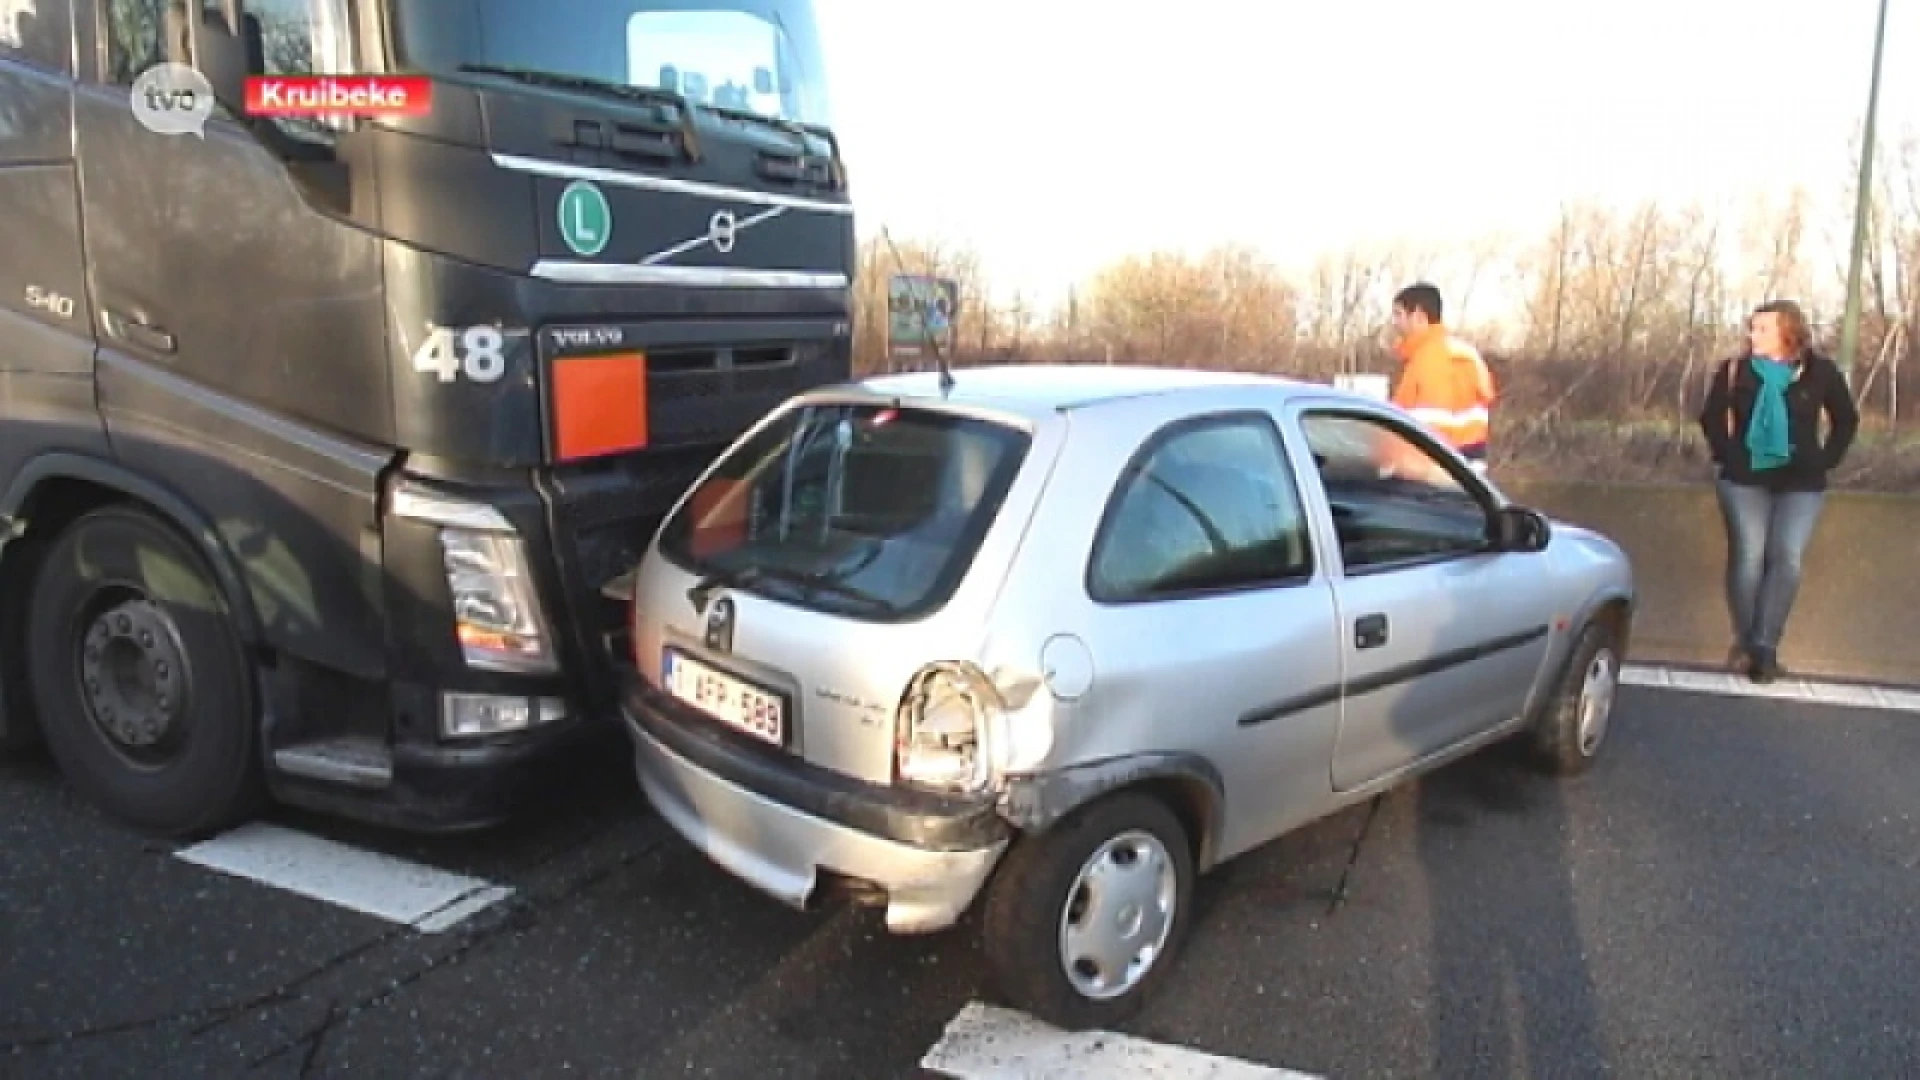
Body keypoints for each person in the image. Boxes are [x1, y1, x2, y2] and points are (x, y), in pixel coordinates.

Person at [1697, 299, 1859, 683]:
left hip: (1801, 481)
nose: (1753, 335)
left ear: (1789, 330)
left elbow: (1846, 420)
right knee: (1750, 556)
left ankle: (1764, 645)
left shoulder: (1819, 372)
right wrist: (1729, 454)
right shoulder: (1736, 371)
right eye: (1752, 328)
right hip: (1745, 478)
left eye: (1763, 328)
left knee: (1786, 557)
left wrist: (1824, 460)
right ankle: (1754, 645)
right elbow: (1710, 417)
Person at [1388, 283, 1497, 472]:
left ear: (1419, 316)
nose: (1394, 322)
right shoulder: (1467, 354)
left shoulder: (1426, 362)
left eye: (1398, 314)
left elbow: (1427, 431)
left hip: (1433, 478)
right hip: (1471, 476)